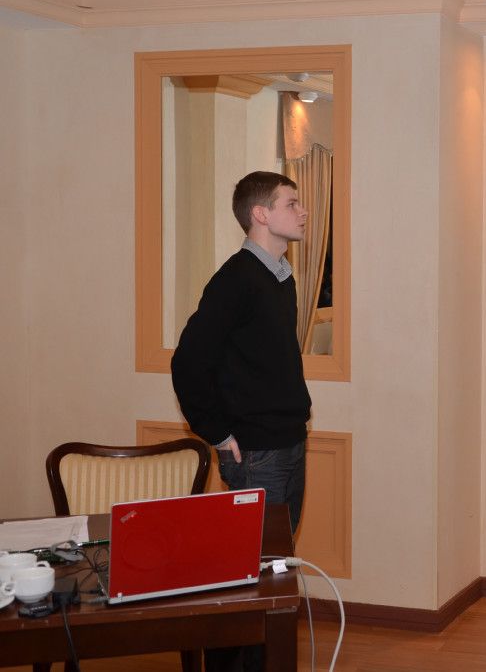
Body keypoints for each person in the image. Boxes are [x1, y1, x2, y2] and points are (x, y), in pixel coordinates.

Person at [171, 172, 312, 672]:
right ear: (261, 214)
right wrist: (217, 432)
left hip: (288, 443)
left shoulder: (280, 277)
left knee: (272, 574)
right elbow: (188, 362)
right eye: (291, 203)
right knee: (247, 583)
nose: (303, 212)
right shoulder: (236, 280)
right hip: (255, 454)